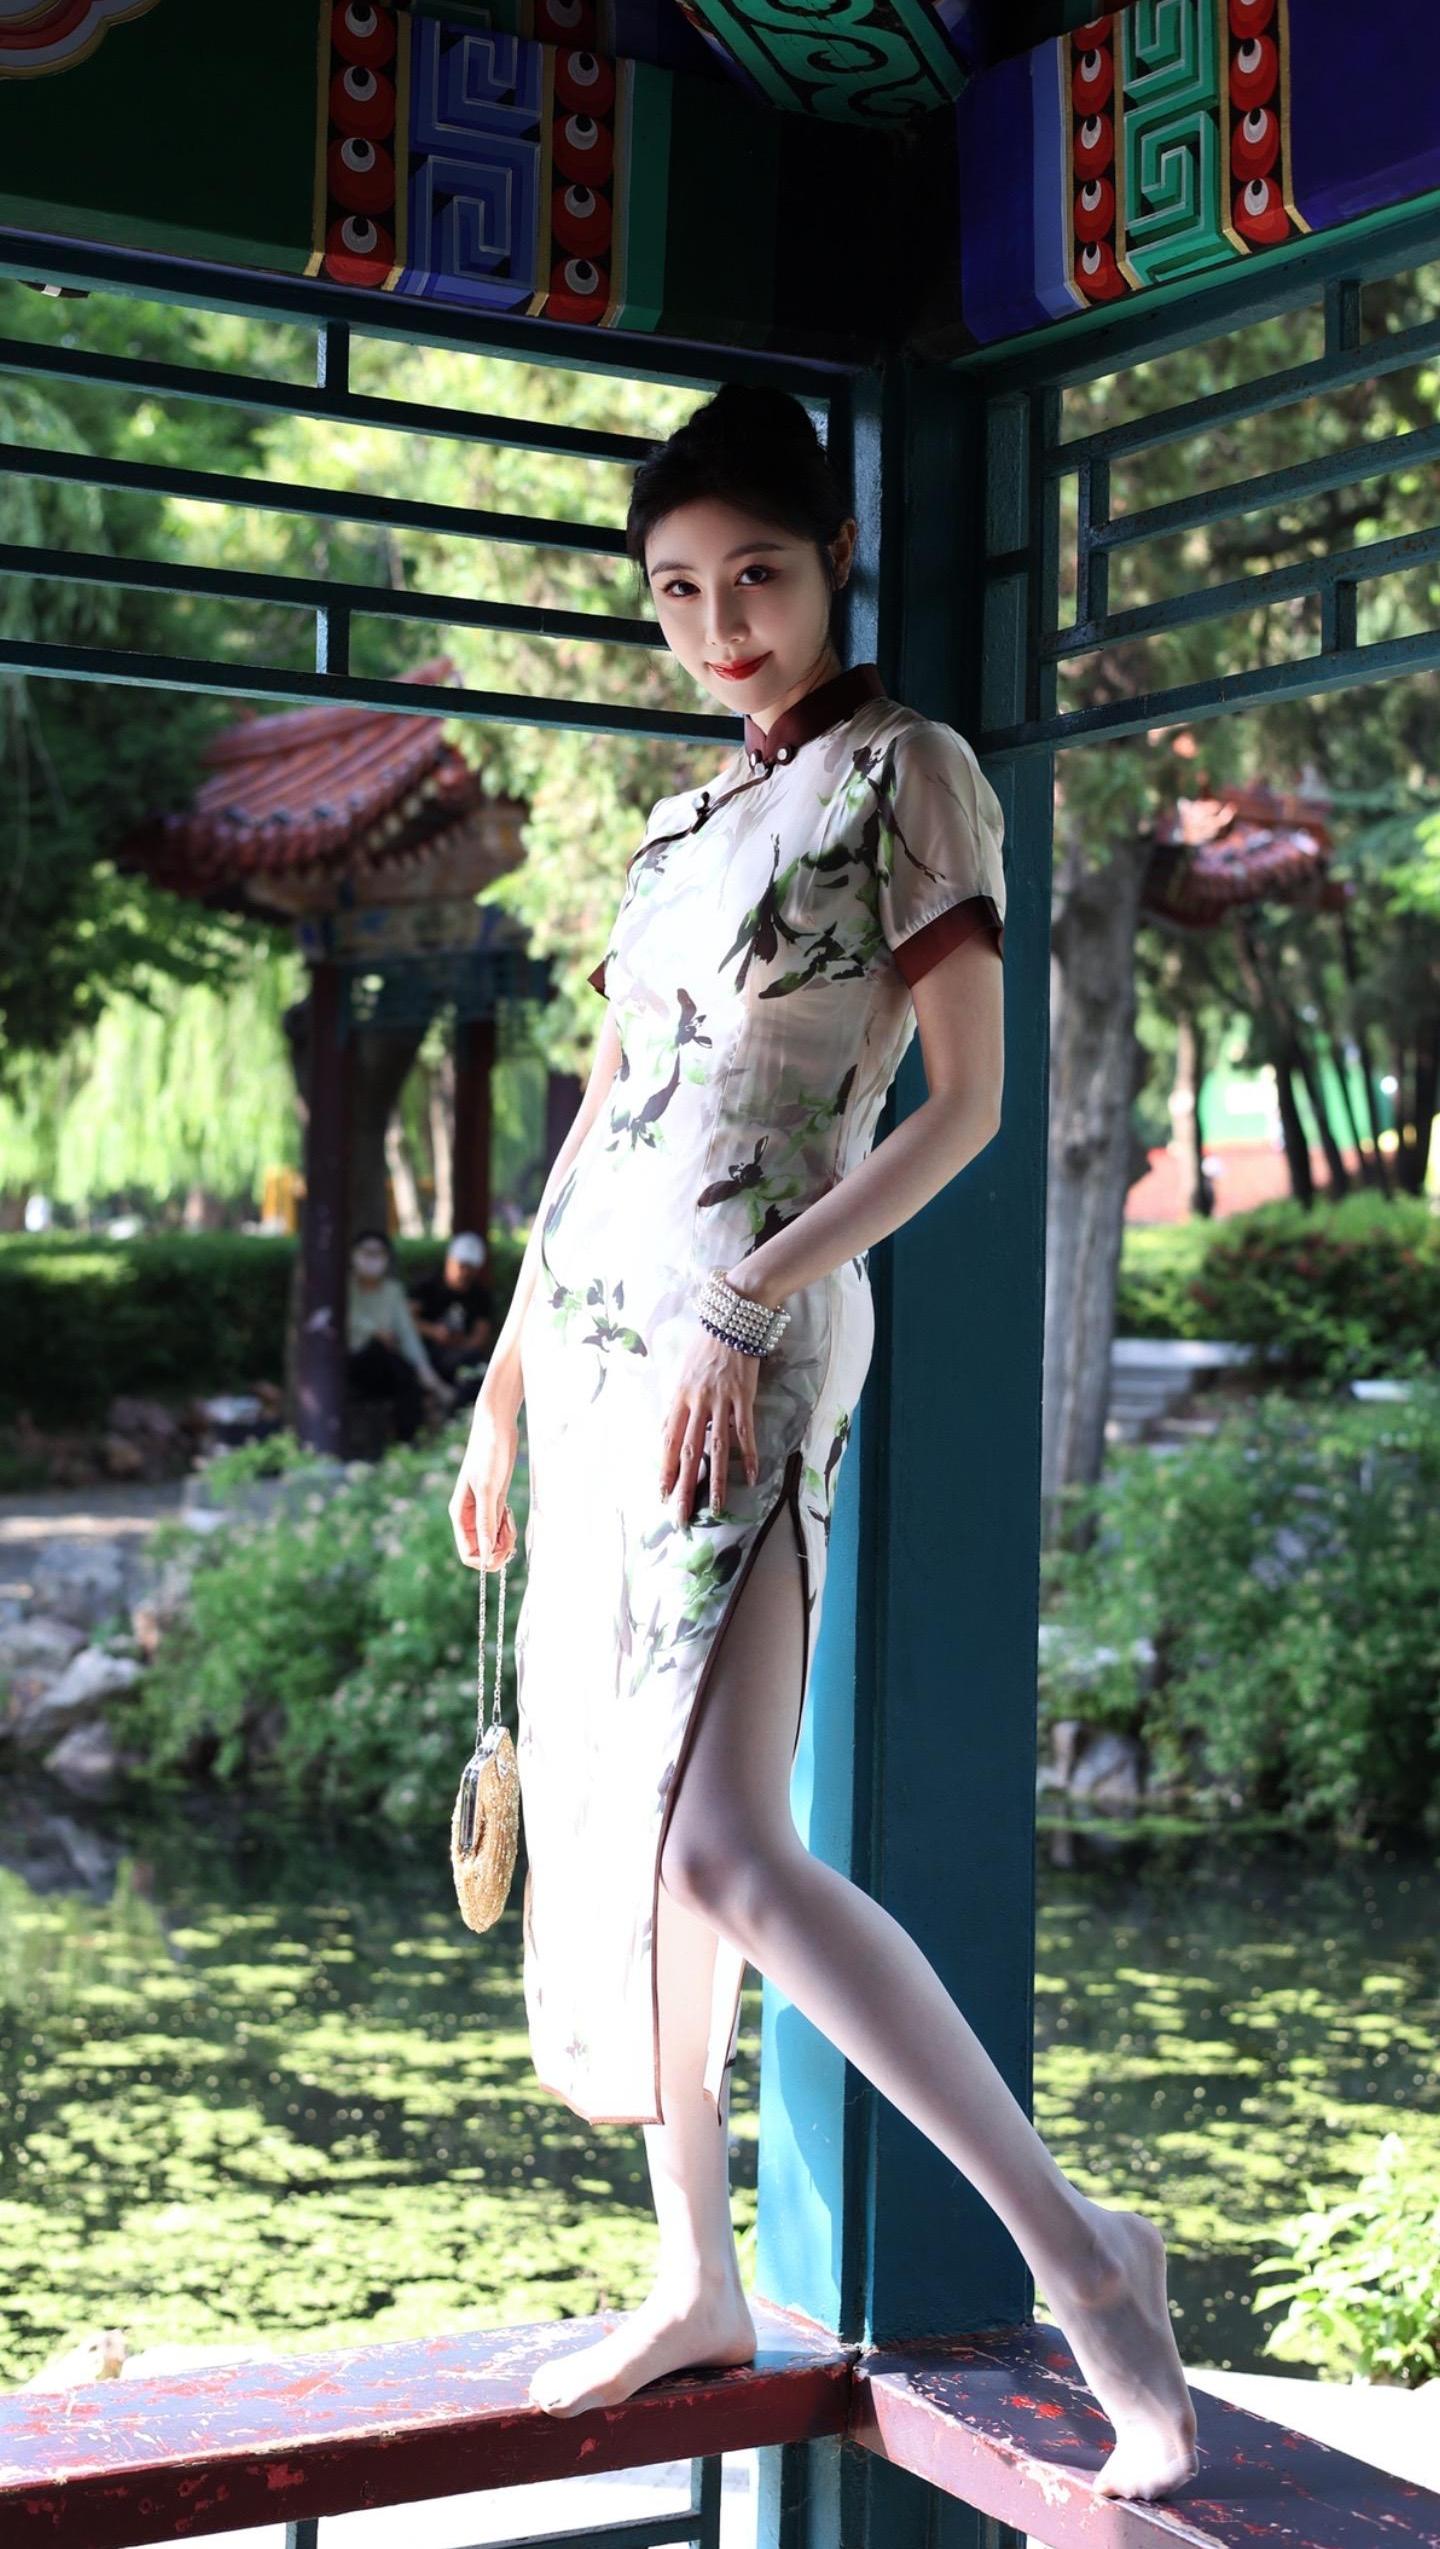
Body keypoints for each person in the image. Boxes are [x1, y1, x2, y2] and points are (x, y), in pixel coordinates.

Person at [446, 383, 1197, 2502]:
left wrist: (748, 1299)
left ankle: (1086, 2259)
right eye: (679, 591)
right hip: (601, 1346)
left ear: (835, 558)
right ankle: (697, 2270)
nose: (721, 626)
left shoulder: (910, 772)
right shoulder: (676, 827)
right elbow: (606, 1119)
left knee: (725, 1842)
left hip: (748, 1339)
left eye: (755, 576)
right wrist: (504, 1372)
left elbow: (963, 1108)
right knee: (628, 1822)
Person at [346, 1229, 452, 1444]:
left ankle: (408, 1440)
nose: (372, 1260)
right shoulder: (344, 1289)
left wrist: (425, 1372)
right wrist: (374, 1332)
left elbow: (407, 1334)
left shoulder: (392, 1291)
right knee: (383, 1354)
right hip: (351, 1362)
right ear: (354, 1255)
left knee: (407, 1375)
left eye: (378, 1254)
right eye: (366, 1253)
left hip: (386, 1362)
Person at [410, 1232, 495, 1386]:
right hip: (426, 1354)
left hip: (463, 1356)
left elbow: (480, 1336)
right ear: (449, 1260)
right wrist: (433, 1331)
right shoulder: (427, 1287)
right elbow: (406, 1320)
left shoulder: (480, 1295)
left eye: (471, 1267)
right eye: (462, 1265)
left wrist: (460, 1343)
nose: (466, 1272)